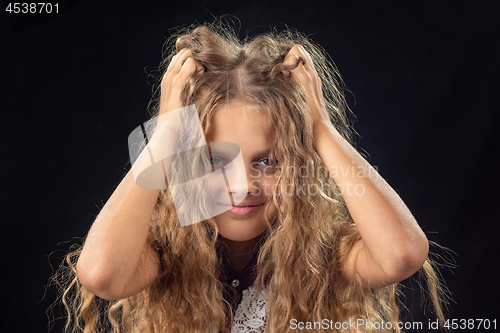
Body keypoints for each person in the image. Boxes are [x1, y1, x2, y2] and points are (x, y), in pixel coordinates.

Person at [53, 21, 447, 333]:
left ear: (301, 164)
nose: (241, 185)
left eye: (269, 161)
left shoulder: (325, 254)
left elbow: (403, 254)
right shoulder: (163, 252)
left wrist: (321, 129)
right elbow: (101, 274)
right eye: (213, 160)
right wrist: (165, 134)